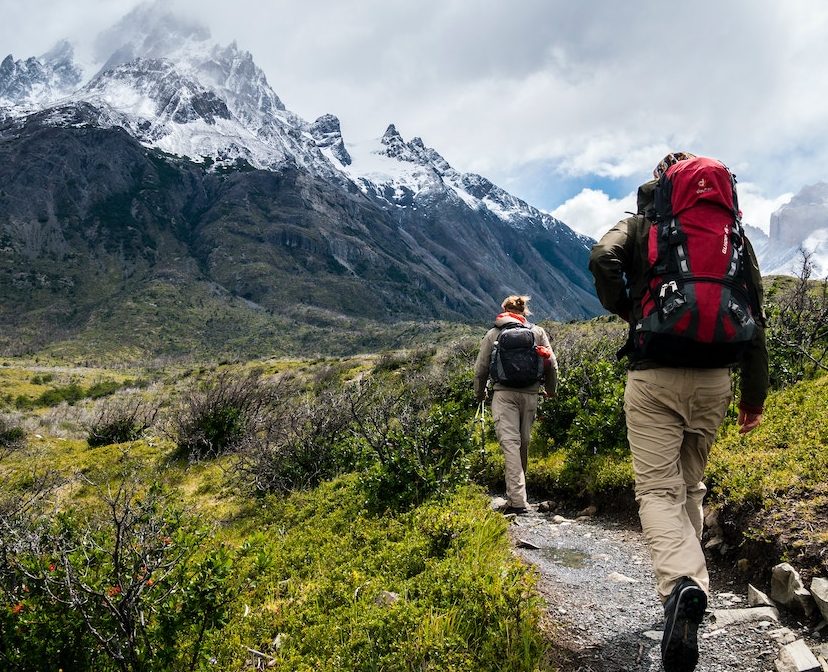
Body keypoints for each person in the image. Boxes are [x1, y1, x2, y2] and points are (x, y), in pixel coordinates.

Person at [589, 152, 769, 672]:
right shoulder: (733, 235)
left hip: (655, 375)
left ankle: (682, 587)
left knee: (656, 490)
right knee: (690, 485)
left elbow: (602, 257)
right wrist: (753, 397)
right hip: (716, 379)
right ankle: (696, 587)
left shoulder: (644, 225)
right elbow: (755, 312)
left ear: (662, 185)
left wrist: (628, 307)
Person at [474, 295, 558, 515]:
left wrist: (480, 393)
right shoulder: (537, 332)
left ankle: (517, 500)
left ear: (504, 310)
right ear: (524, 311)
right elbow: (552, 364)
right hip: (530, 394)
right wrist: (551, 390)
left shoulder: (494, 333)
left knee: (510, 444)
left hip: (504, 395)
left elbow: (481, 369)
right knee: (523, 443)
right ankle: (519, 495)